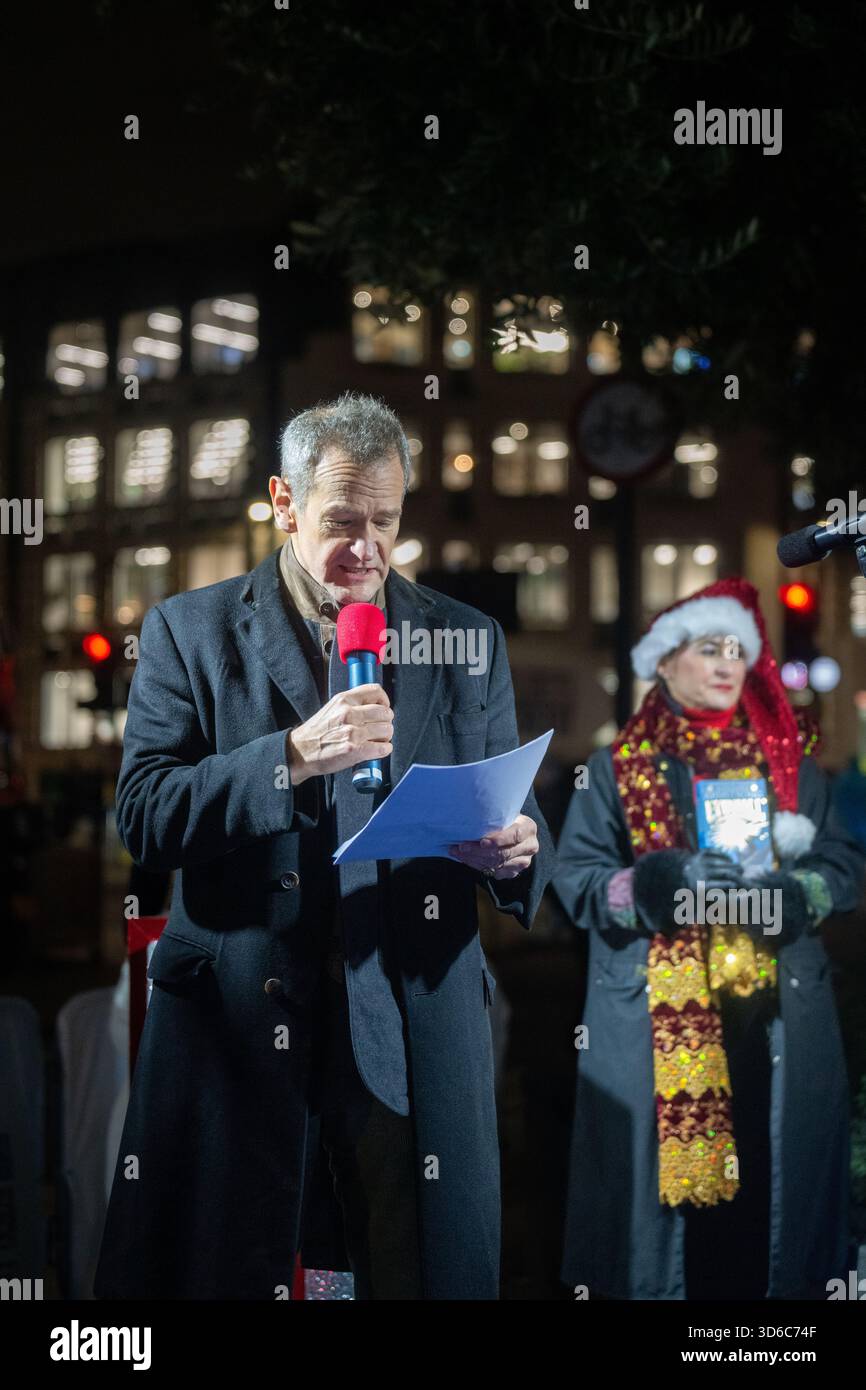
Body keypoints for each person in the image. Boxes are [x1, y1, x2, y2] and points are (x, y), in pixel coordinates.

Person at [94, 391, 554, 1301]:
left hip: (412, 1013)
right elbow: (144, 814)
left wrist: (516, 850)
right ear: (284, 499)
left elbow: (513, 806)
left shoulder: (467, 638)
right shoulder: (190, 630)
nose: (368, 550)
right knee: (233, 1262)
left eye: (386, 522)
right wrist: (291, 757)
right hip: (239, 1013)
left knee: (413, 1263)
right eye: (344, 521)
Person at [553, 576, 864, 1300]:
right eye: (707, 648)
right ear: (664, 663)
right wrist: (658, 884)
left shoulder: (788, 763)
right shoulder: (612, 770)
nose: (727, 664)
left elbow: (843, 863)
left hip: (774, 1028)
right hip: (663, 1034)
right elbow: (574, 881)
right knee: (674, 1247)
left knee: (769, 1218)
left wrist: (798, 893)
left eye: (736, 651)